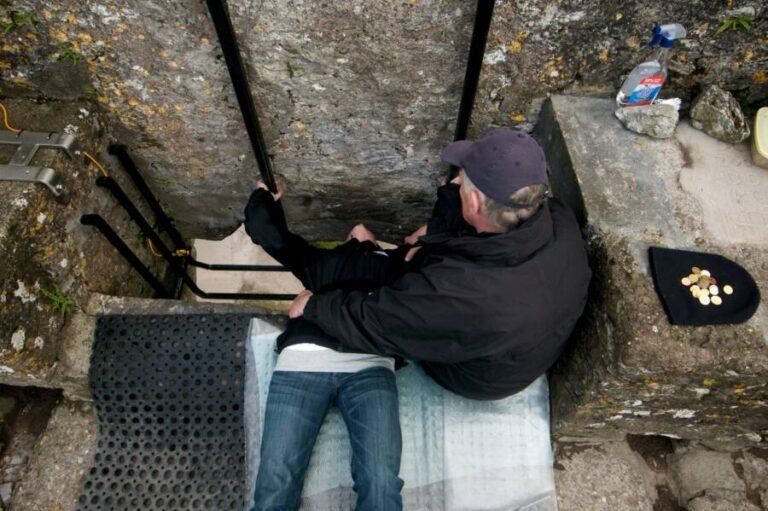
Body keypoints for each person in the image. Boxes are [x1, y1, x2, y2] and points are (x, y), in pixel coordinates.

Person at [288, 127, 592, 400]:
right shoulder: (558, 218)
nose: (456, 182)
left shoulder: (458, 294)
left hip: (477, 377)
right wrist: (435, 235)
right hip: (518, 348)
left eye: (461, 185)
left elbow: (380, 324)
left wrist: (316, 306)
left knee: (383, 288)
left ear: (473, 204)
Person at [244, 183, 407, 510]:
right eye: (350, 235)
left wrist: (447, 197)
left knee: (381, 480)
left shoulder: (399, 262)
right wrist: (266, 197)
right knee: (276, 481)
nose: (357, 230)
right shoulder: (319, 261)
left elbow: (437, 240)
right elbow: (264, 230)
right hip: (303, 361)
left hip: (369, 365)